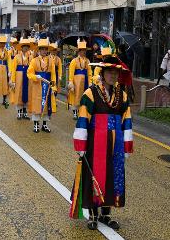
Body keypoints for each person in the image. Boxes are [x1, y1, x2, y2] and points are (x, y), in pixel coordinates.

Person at [72, 56, 133, 230]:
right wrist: (81, 144)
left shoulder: (123, 96)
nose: (113, 75)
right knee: (96, 174)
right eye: (110, 72)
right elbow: (83, 119)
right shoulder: (90, 93)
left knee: (113, 175)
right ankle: (92, 213)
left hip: (116, 143)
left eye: (116, 72)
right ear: (103, 73)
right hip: (95, 142)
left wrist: (127, 144)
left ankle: (106, 214)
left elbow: (126, 120)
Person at [27, 38, 57, 133]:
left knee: (47, 103)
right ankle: (36, 124)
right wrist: (35, 76)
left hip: (47, 84)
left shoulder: (51, 60)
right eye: (42, 49)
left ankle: (45, 124)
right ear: (39, 50)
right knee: (37, 103)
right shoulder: (34, 61)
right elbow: (29, 73)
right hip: (37, 85)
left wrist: (54, 86)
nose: (44, 51)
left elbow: (53, 74)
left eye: (45, 49)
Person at [10, 38, 34, 119]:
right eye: (24, 46)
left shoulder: (30, 57)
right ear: (21, 47)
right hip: (19, 76)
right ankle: (19, 112)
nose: (26, 48)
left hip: (27, 76)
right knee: (19, 92)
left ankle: (25, 111)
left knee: (27, 92)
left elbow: (32, 68)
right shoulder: (17, 57)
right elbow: (13, 69)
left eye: (27, 46)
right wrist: (13, 80)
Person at [68, 41, 92, 119]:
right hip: (76, 82)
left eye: (84, 50)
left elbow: (89, 72)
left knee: (84, 96)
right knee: (76, 96)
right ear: (79, 51)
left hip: (85, 81)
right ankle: (75, 112)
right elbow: (71, 72)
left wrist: (90, 82)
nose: (83, 51)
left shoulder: (87, 61)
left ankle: (82, 111)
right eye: (82, 50)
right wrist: (71, 82)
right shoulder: (74, 61)